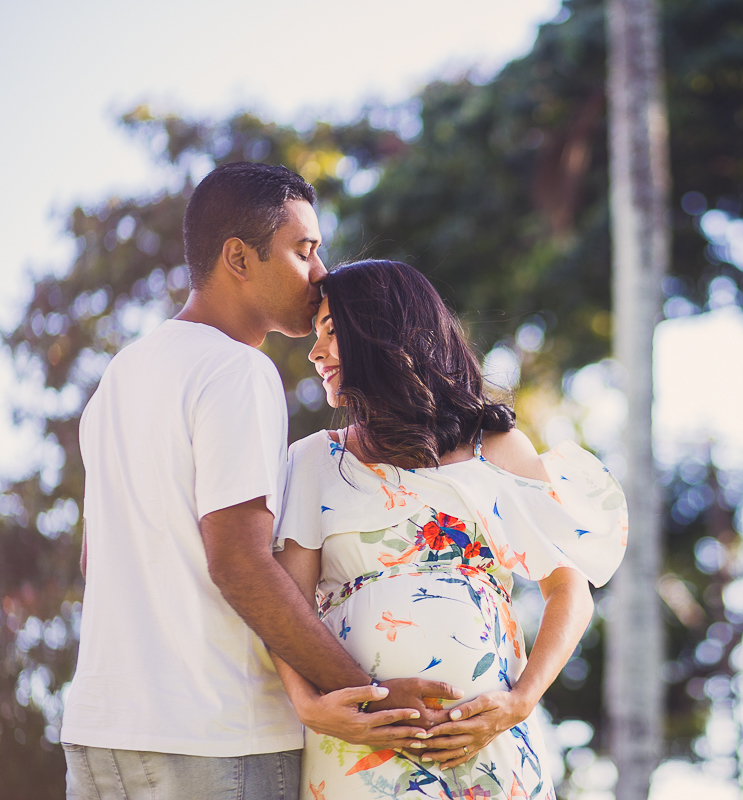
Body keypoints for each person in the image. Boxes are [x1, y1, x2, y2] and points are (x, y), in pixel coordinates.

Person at [61, 163, 459, 800]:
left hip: (99, 734)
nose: (321, 271)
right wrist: (370, 697)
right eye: (303, 251)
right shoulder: (236, 371)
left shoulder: (121, 377)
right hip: (215, 737)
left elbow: (94, 560)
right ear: (238, 258)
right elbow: (240, 563)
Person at [273, 260, 629, 800]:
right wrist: (308, 705)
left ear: (382, 330)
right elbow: (286, 604)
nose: (315, 352)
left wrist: (522, 701)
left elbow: (569, 589)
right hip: (363, 749)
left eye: (331, 331)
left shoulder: (496, 448)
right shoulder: (314, 461)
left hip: (490, 742)